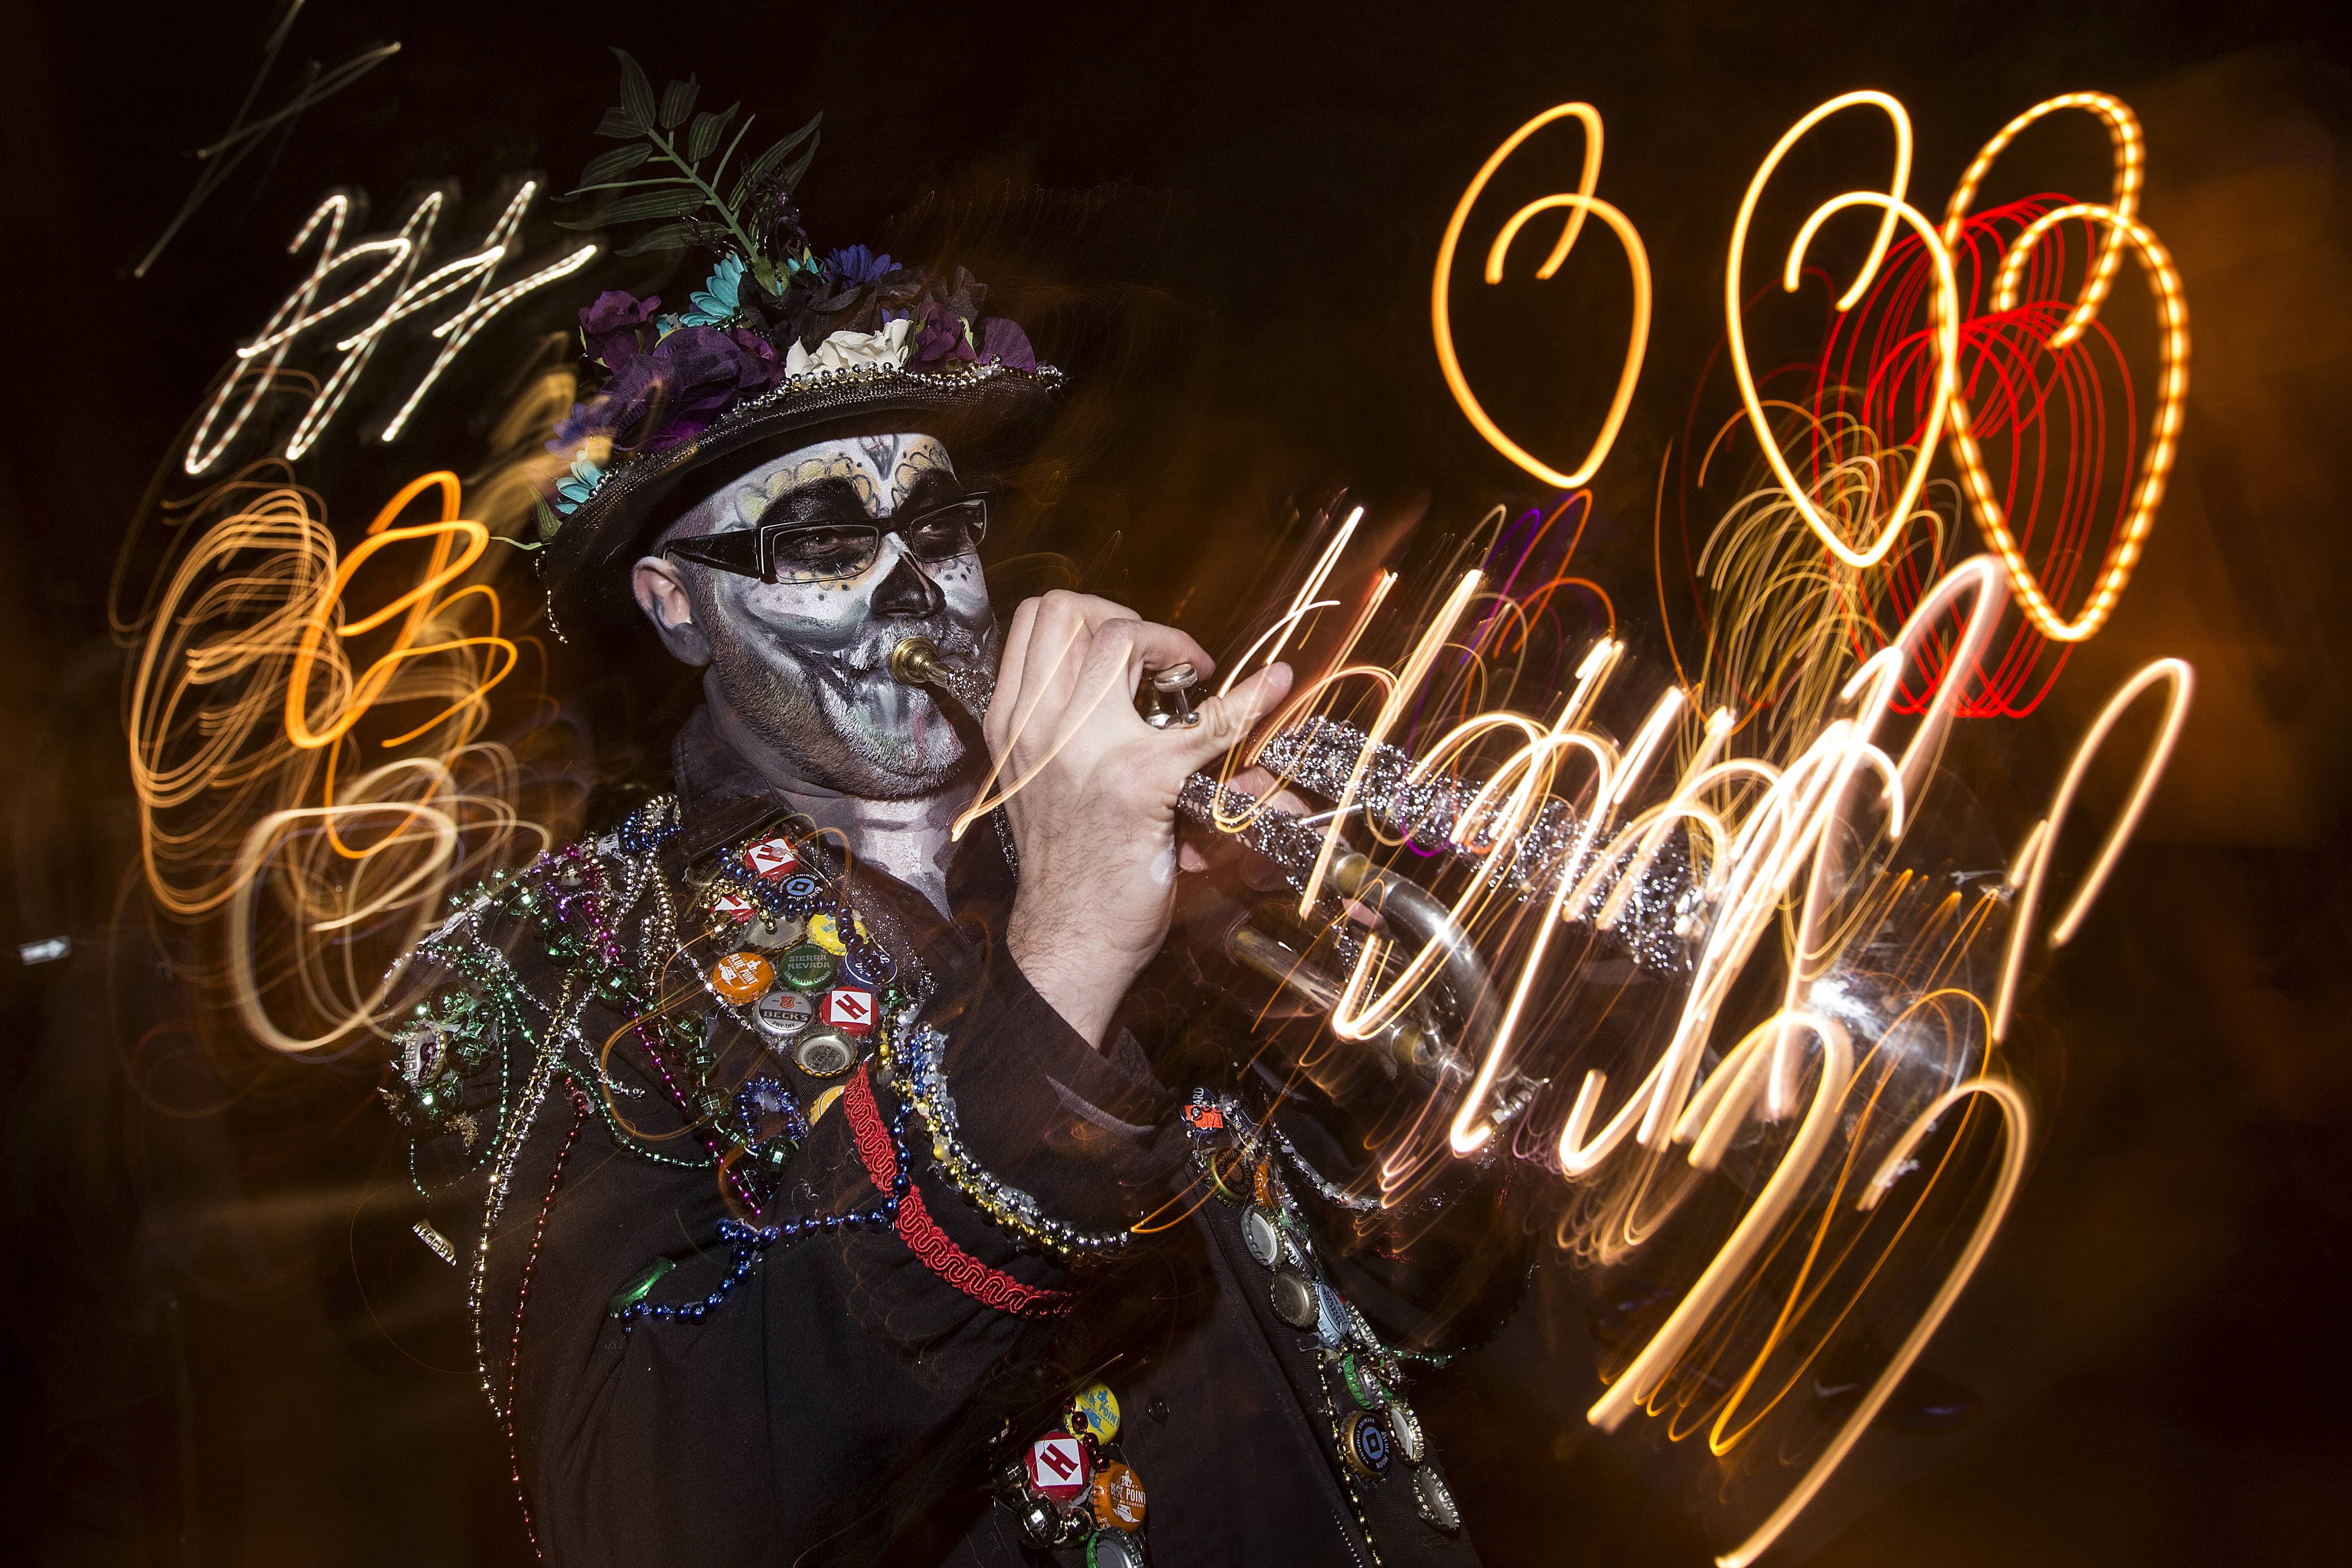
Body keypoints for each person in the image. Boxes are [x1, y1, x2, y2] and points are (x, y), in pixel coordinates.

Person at [388, 58, 1516, 1568]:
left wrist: (1417, 1018)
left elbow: (1419, 1303)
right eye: (822, 537)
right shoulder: (588, 959)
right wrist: (1059, 963)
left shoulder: (1072, 825)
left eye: (934, 522)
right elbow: (646, 1511)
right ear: (674, 603)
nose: (912, 582)